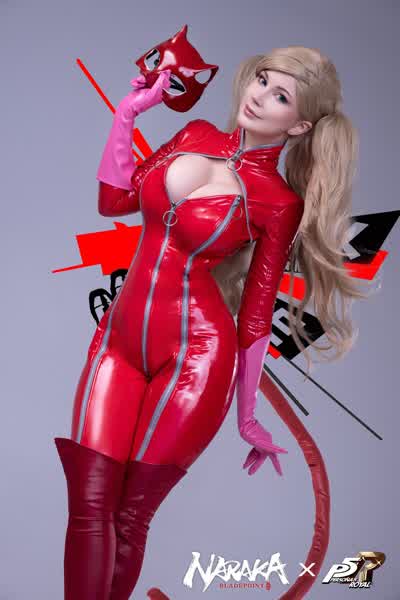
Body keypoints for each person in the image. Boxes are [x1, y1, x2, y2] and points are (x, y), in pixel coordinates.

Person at [54, 45, 363, 600]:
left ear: (299, 125)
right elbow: (114, 200)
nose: (258, 96)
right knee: (89, 502)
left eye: (280, 96)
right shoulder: (194, 134)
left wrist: (247, 417)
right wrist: (127, 114)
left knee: (128, 516)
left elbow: (256, 313)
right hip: (117, 342)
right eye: (262, 79)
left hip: (196, 359)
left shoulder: (279, 202)